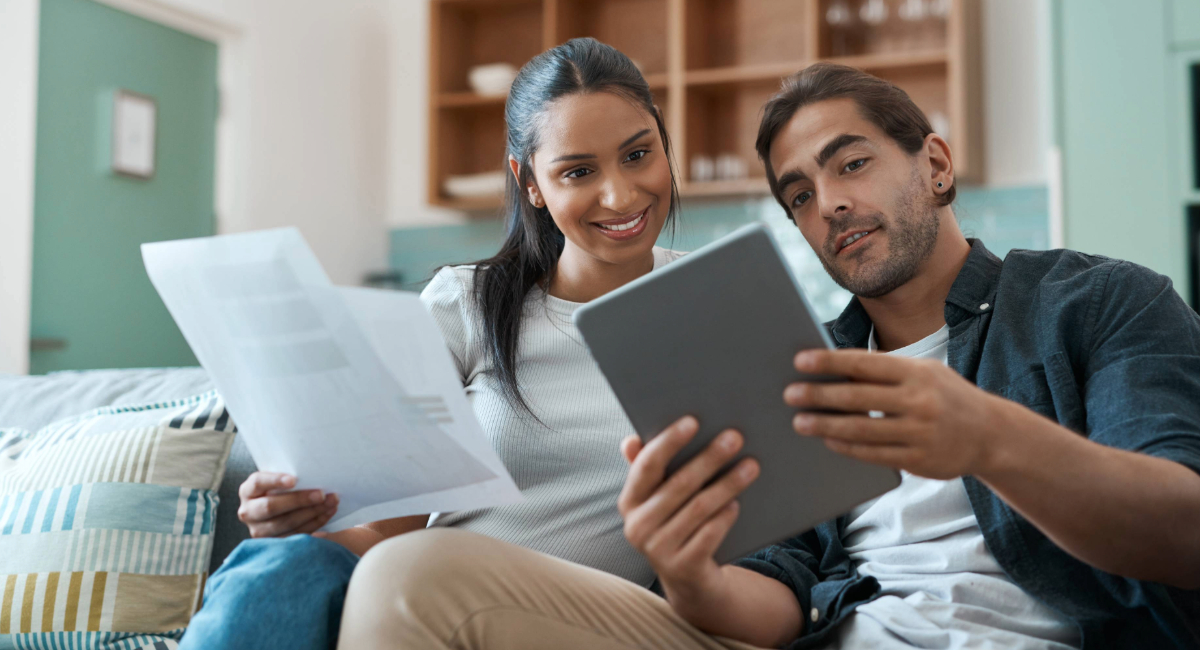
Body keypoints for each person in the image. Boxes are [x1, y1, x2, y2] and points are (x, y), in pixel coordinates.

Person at [334, 63, 1200, 650]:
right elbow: (777, 596)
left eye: (850, 163)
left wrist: (987, 439)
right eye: (799, 195)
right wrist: (685, 572)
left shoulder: (1092, 303)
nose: (831, 205)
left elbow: (1185, 532)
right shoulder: (801, 365)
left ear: (934, 164)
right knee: (406, 576)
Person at [180, 37, 686, 649]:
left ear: (663, 141)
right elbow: (385, 539)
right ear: (529, 183)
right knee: (284, 566)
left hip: (574, 624)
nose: (620, 194)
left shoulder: (713, 302)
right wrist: (298, 521)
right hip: (415, 605)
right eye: (578, 171)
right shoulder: (466, 304)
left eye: (638, 154)